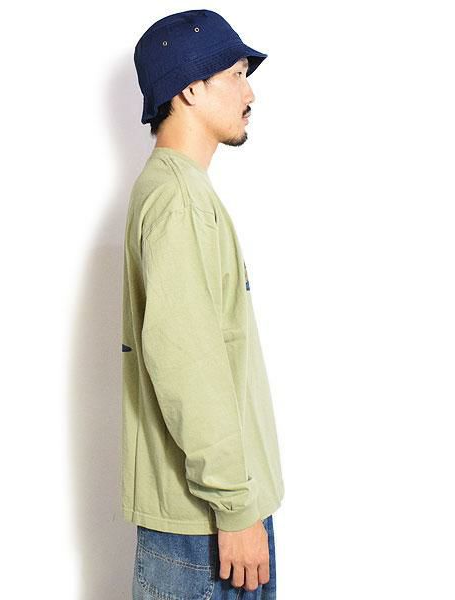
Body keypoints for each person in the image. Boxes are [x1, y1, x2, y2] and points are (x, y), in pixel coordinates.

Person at [121, 9, 285, 598]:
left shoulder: (177, 191)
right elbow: (187, 364)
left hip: (210, 516)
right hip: (208, 527)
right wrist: (235, 507)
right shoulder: (179, 201)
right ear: (190, 89)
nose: (250, 93)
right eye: (237, 74)